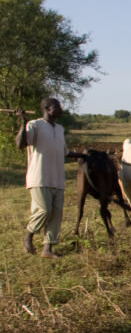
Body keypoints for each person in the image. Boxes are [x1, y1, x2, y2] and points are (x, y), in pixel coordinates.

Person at [15, 98, 77, 258]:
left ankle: (47, 249)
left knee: (56, 214)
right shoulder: (34, 125)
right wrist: (23, 122)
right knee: (44, 210)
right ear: (47, 109)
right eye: (57, 106)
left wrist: (84, 155)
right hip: (39, 177)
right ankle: (28, 235)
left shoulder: (60, 129)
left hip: (58, 179)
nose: (60, 109)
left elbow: (65, 152)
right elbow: (20, 144)